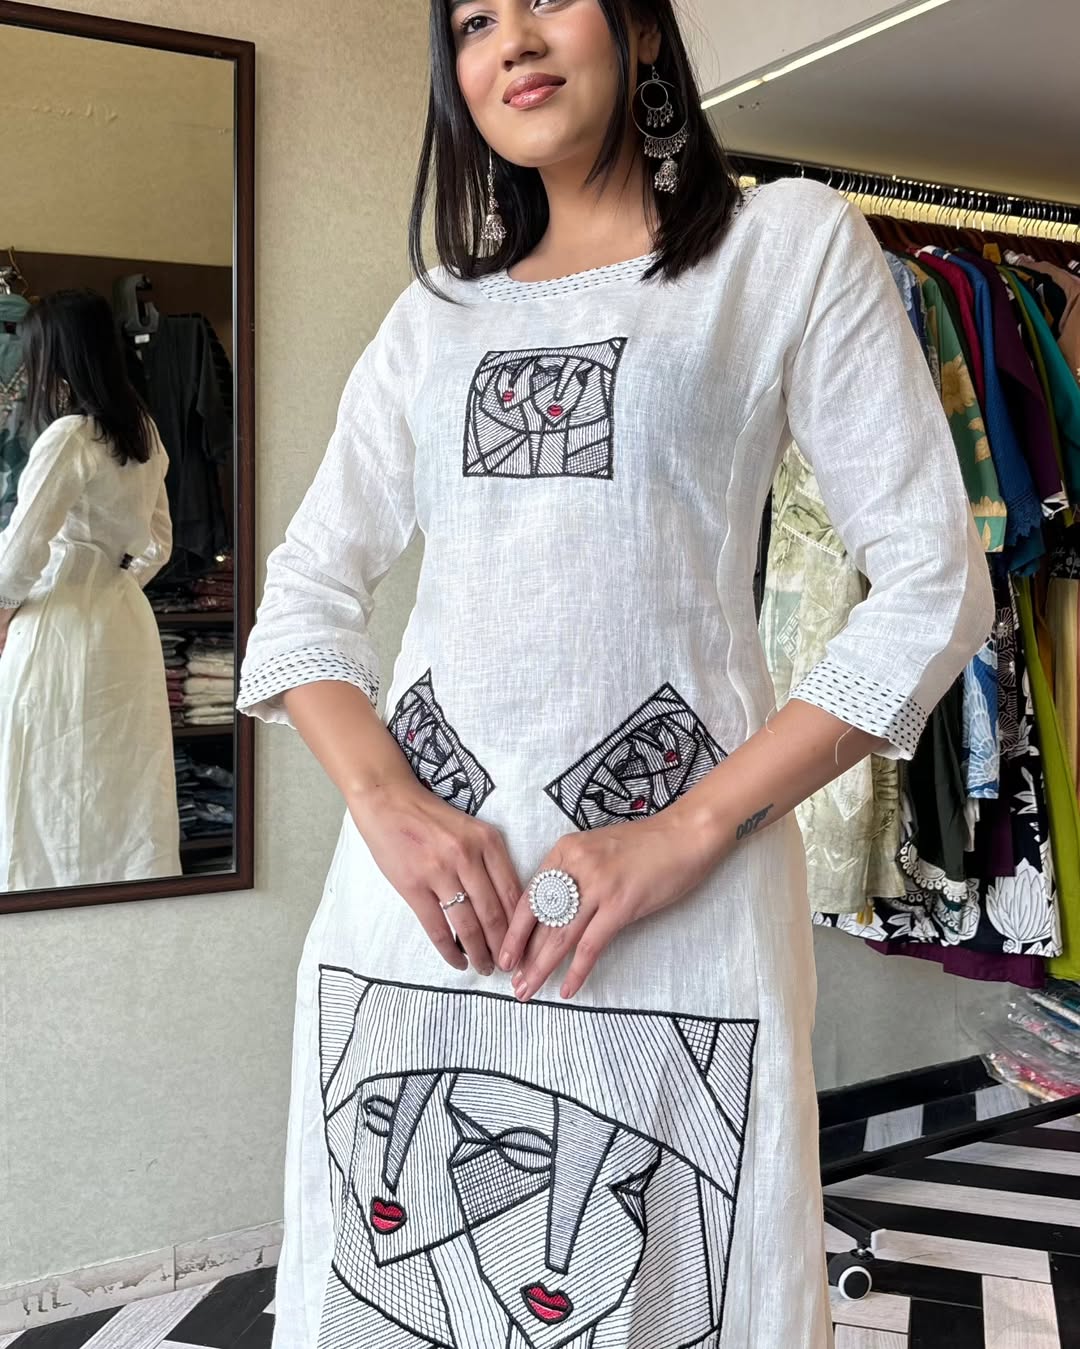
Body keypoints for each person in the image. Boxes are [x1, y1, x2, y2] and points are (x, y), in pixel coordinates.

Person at [236, 2, 995, 1344]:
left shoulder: (785, 249)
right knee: (397, 1281)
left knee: (675, 1281)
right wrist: (387, 807)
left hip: (674, 900)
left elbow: (935, 585)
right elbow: (304, 594)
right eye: (475, 18)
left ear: (642, 27)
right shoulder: (436, 314)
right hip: (423, 914)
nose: (512, 41)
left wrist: (691, 827)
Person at [0, 289, 180, 891]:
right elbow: (159, 544)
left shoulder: (70, 437)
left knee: (45, 774)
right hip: (122, 621)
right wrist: (113, 580)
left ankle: (44, 906)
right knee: (120, 779)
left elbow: (21, 549)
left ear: (58, 355)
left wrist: (4, 611)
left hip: (58, 621)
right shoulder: (143, 432)